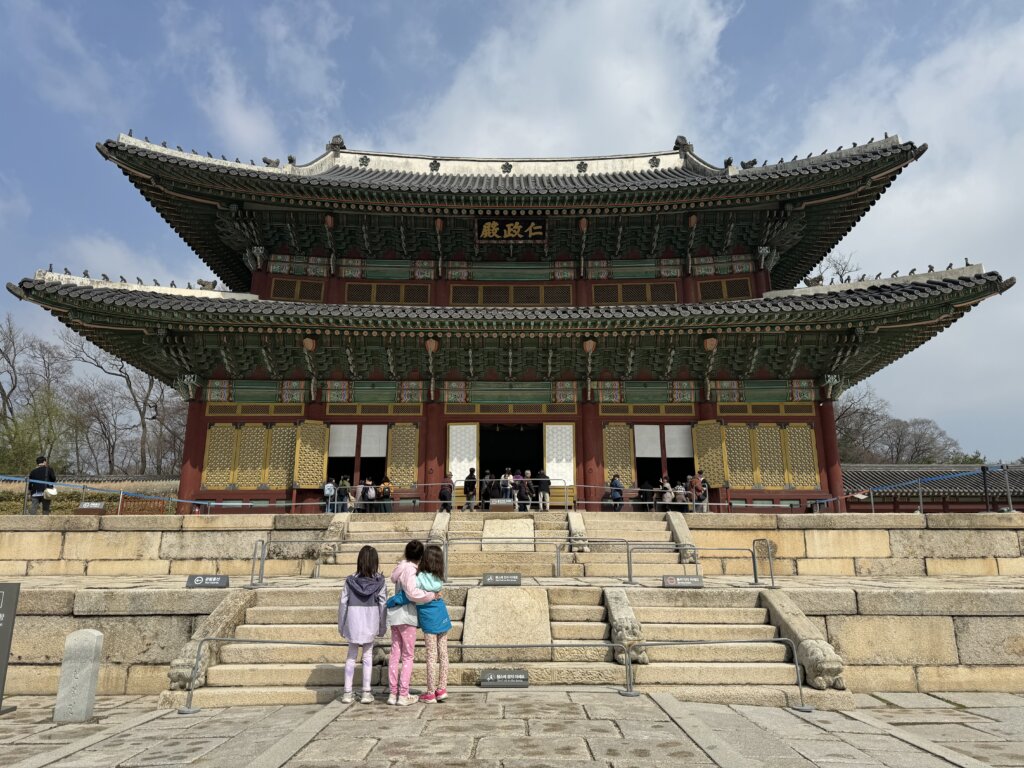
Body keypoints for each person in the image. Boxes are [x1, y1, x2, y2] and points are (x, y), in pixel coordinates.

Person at [387, 544, 451, 703]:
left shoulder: (418, 577)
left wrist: (392, 600)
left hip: (427, 618)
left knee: (431, 655)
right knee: (443, 653)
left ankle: (430, 692)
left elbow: (410, 595)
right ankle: (441, 689)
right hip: (442, 614)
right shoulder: (438, 579)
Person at [337, 545, 387, 704]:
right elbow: (383, 605)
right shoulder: (380, 582)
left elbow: (343, 603)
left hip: (353, 620)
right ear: (375, 562)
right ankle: (366, 692)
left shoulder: (349, 580)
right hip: (370, 620)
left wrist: (341, 624)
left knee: (351, 656)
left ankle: (347, 692)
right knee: (367, 656)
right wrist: (382, 626)